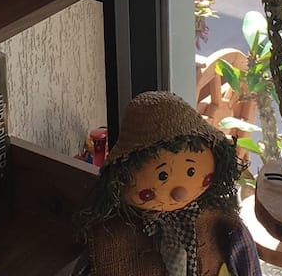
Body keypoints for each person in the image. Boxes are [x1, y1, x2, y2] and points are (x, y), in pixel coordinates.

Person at [73, 91, 263, 276]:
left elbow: (246, 260)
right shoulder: (110, 237)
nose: (179, 192)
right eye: (162, 176)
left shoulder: (220, 222)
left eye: (191, 172)